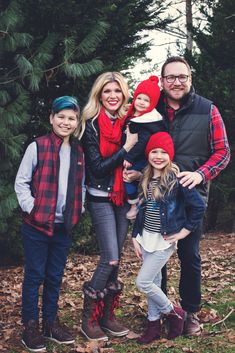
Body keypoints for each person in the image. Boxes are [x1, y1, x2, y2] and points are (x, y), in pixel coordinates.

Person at [125, 56, 230, 336]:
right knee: (155, 257)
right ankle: (160, 314)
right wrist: (135, 172)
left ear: (190, 79)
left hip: (190, 198)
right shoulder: (151, 110)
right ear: (161, 81)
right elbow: (136, 146)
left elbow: (222, 152)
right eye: (170, 77)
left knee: (189, 255)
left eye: (182, 76)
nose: (176, 82)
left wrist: (201, 174)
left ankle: (190, 312)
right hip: (156, 197)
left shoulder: (207, 109)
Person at [15, 96, 84, 352]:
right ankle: (30, 327)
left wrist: (80, 207)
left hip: (62, 226)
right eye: (62, 117)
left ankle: (51, 323)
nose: (66, 122)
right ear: (52, 118)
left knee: (55, 276)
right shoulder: (38, 146)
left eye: (72, 118)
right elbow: (21, 182)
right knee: (35, 276)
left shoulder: (77, 151)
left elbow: (82, 184)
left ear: (77, 122)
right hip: (36, 226)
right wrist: (32, 207)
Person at [79, 72, 137, 341]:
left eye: (117, 91)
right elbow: (98, 168)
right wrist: (125, 148)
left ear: (124, 94)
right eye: (106, 91)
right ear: (99, 95)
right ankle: (88, 319)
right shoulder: (90, 125)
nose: (112, 96)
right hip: (101, 196)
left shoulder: (129, 123)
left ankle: (107, 316)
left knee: (117, 261)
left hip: (123, 196)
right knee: (110, 256)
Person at [132, 132, 206, 344]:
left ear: (170, 156)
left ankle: (175, 313)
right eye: (154, 151)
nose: (158, 156)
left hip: (163, 241)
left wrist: (184, 232)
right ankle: (153, 326)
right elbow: (142, 211)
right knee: (154, 281)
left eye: (164, 152)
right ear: (148, 154)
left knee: (143, 282)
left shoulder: (177, 180)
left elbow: (198, 207)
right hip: (146, 238)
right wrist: (135, 236)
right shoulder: (146, 178)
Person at [123, 76, 166, 220]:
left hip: (139, 157)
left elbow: (142, 142)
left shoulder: (147, 121)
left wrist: (129, 157)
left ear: (152, 103)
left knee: (128, 177)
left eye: (146, 100)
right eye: (139, 98)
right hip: (134, 155)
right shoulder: (134, 115)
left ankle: (135, 203)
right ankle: (139, 200)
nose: (141, 102)